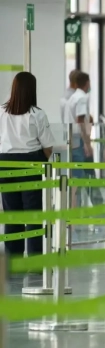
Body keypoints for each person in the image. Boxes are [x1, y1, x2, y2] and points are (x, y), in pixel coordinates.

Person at [0, 72, 56, 257]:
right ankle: (34, 257)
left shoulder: (1, 111)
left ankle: (13, 258)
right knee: (33, 213)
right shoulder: (37, 114)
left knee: (11, 212)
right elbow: (48, 146)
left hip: (6, 164)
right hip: (31, 163)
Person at [64, 71, 104, 208]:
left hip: (73, 139)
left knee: (82, 176)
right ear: (87, 83)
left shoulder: (73, 97)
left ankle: (96, 207)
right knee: (84, 176)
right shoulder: (82, 97)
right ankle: (96, 209)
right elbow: (80, 120)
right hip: (79, 140)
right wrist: (87, 143)